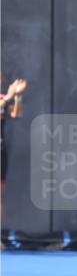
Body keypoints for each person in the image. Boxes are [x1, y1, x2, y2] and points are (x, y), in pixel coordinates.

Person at [0, 74, 28, 215]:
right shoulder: (4, 99)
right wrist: (8, 97)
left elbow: (16, 113)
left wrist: (17, 95)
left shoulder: (2, 99)